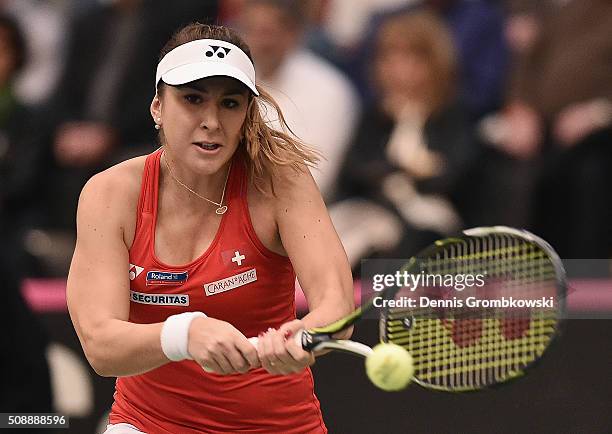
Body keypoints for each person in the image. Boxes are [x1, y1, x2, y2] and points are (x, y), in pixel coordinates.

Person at [66, 23, 354, 434]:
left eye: (230, 104)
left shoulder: (280, 181)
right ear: (157, 108)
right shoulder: (109, 194)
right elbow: (100, 345)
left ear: (247, 114)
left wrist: (307, 338)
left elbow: (337, 304)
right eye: (192, 99)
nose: (211, 121)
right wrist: (186, 332)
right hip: (149, 424)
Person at [332, 10, 476, 267]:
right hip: (372, 214)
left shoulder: (450, 115)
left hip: (430, 229)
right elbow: (351, 174)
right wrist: (397, 168)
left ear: (435, 62)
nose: (397, 69)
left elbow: (453, 176)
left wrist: (407, 166)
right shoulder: (374, 117)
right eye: (388, 57)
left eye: (410, 57)